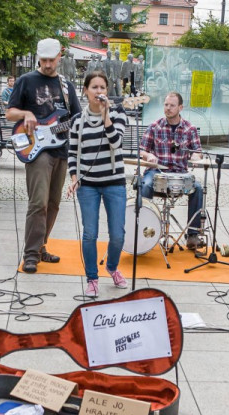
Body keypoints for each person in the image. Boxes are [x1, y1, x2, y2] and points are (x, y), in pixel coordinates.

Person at [6, 38, 82, 274]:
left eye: (52, 60)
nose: (48, 65)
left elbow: (77, 118)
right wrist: (26, 113)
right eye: (44, 60)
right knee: (38, 202)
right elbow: (10, 113)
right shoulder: (26, 80)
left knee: (53, 204)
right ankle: (30, 254)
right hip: (37, 150)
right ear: (39, 58)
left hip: (61, 150)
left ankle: (41, 247)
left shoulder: (66, 86)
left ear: (60, 57)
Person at [66, 71, 128, 296]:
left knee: (118, 234)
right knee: (90, 233)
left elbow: (116, 142)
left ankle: (112, 267)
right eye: (94, 87)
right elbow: (72, 153)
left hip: (114, 182)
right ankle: (92, 278)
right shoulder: (76, 121)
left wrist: (106, 115)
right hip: (88, 185)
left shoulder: (118, 113)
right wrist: (74, 179)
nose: (99, 91)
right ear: (85, 90)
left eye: (103, 87)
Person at [139, 92, 205, 250]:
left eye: (172, 105)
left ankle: (193, 235)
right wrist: (149, 155)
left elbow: (198, 151)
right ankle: (143, 229)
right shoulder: (155, 126)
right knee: (145, 185)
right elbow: (141, 150)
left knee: (198, 188)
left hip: (180, 173)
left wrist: (196, 156)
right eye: (166, 105)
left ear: (180, 107)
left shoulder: (190, 129)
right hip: (157, 172)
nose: (168, 108)